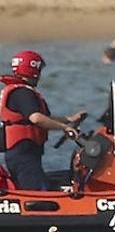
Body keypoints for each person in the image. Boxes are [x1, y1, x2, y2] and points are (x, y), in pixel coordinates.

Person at [1, 50, 86, 191]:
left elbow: (38, 118)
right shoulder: (23, 93)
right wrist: (64, 128)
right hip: (24, 155)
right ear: (34, 69)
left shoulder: (18, 91)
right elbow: (36, 118)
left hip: (22, 154)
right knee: (39, 192)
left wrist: (67, 120)